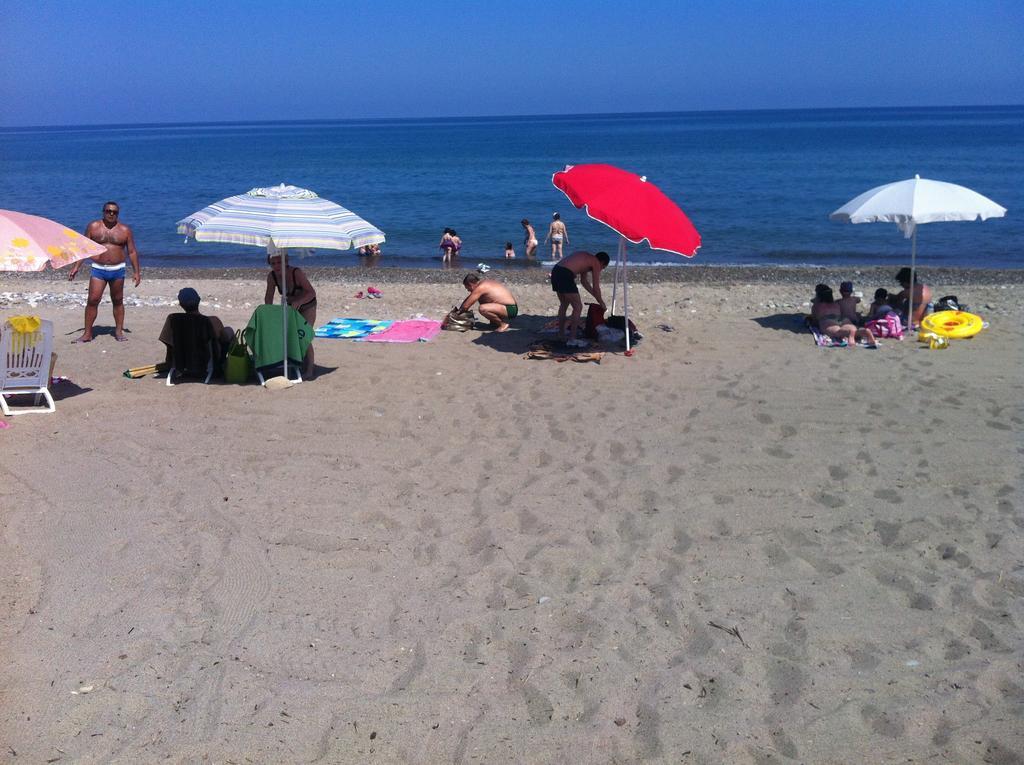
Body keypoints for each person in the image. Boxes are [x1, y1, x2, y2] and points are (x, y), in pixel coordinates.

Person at [68, 201, 141, 342]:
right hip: (98, 269)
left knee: (118, 300)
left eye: (114, 212)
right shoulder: (93, 227)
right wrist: (76, 267)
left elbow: (131, 251)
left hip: (117, 269)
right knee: (93, 300)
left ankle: (119, 332)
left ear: (118, 214)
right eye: (108, 211)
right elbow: (84, 248)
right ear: (103, 212)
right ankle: (87, 333)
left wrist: (137, 272)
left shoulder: (125, 230)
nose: (111, 214)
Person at [264, 253, 317, 377]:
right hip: (290, 307)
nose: (276, 266)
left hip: (307, 305)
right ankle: (296, 362)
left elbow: (311, 292)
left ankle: (310, 368)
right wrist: (268, 313)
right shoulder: (272, 277)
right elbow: (268, 297)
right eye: (273, 263)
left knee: (304, 335)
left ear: (285, 262)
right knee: (288, 335)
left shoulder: (296, 273)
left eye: (279, 263)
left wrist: (299, 301)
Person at [159, 287, 234, 367]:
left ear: (181, 304)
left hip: (182, 364)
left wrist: (170, 361)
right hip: (207, 365)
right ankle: (232, 364)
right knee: (228, 331)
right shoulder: (211, 321)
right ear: (198, 300)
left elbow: (169, 345)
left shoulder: (173, 320)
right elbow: (223, 339)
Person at [551, 250, 609, 346]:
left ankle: (561, 334)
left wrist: (596, 296)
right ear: (602, 262)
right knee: (578, 307)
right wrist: (601, 302)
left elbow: (584, 282)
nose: (601, 269)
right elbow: (596, 287)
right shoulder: (596, 262)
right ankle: (572, 338)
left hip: (556, 270)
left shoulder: (587, 259)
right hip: (565, 274)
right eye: (603, 268)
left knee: (564, 304)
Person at [810, 284, 876, 347]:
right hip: (842, 318)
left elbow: (815, 320)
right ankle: (864, 331)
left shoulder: (817, 306)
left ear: (818, 295)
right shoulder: (836, 304)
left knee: (838, 332)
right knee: (853, 329)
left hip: (828, 320)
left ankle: (850, 332)